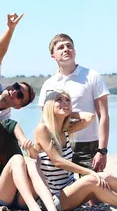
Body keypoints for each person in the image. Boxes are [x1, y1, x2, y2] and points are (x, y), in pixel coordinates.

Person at [38, 34, 110, 173]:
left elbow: (104, 116)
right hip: (59, 145)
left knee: (93, 188)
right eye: (60, 47)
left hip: (88, 145)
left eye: (69, 46)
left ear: (75, 51)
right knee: (63, 190)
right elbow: (44, 120)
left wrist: (102, 150)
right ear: (53, 56)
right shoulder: (48, 84)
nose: (66, 49)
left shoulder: (92, 76)